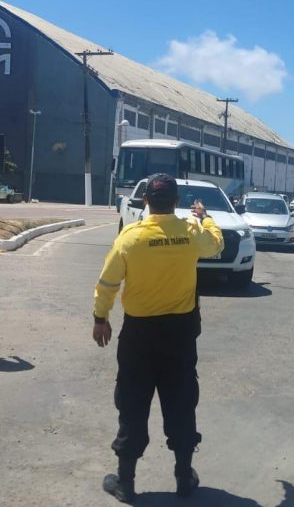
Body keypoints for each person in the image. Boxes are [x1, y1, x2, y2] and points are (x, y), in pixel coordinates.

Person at [93, 173, 224, 503]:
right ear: (177, 201)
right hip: (180, 334)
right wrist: (205, 218)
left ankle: (125, 480)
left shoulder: (130, 237)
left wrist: (101, 318)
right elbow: (216, 245)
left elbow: (108, 283)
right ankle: (184, 476)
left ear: (146, 201)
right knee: (181, 402)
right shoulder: (190, 232)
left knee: (132, 402)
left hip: (138, 335)